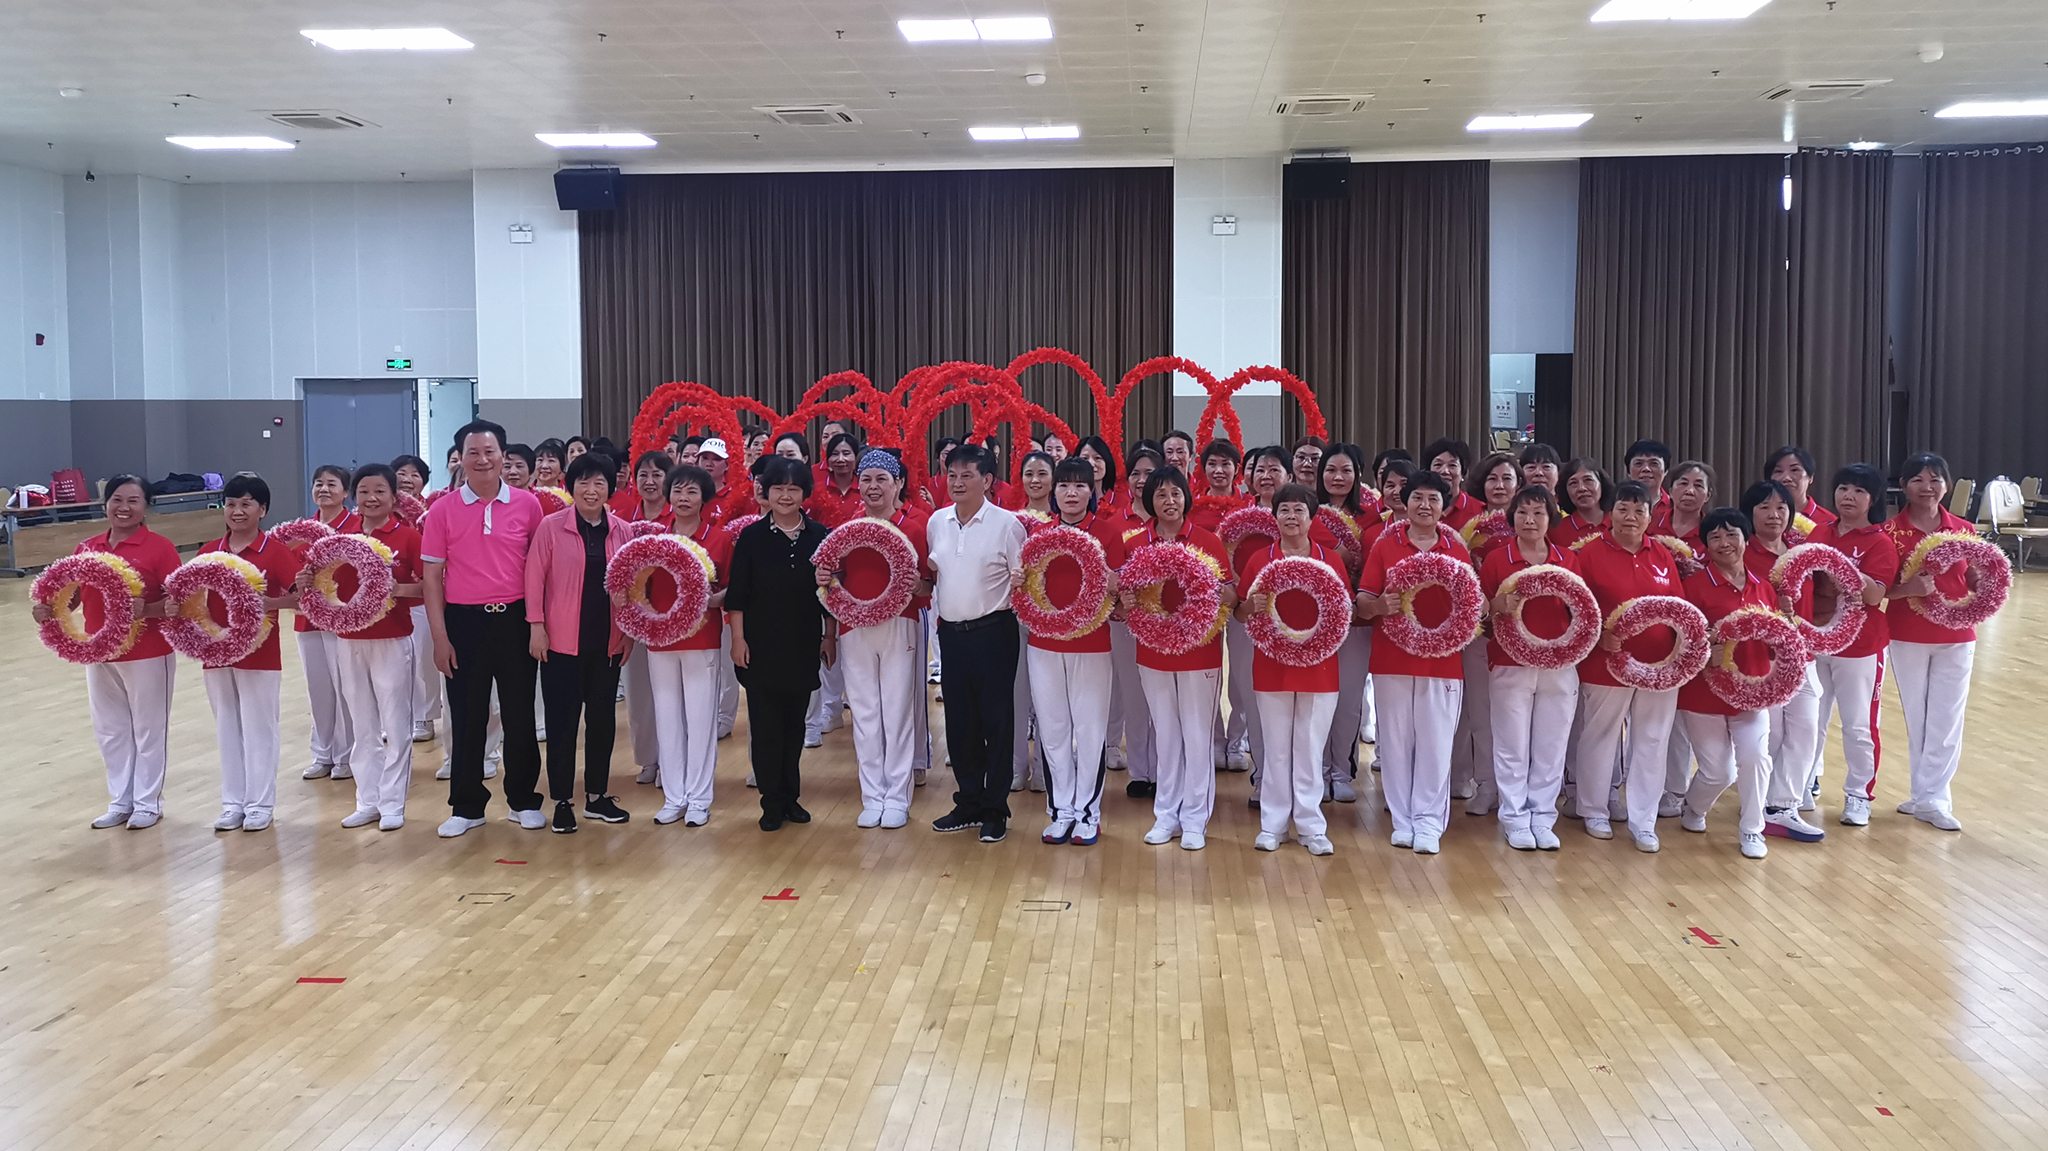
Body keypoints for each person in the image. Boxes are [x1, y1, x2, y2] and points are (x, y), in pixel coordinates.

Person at [30, 474, 178, 828]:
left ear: (146, 506)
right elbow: (73, 596)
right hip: (98, 651)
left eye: (133, 501)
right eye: (116, 500)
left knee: (148, 729)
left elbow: (182, 601)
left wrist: (148, 610)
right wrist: (49, 609)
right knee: (110, 729)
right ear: (105, 504)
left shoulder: (160, 548)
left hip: (148, 651)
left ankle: (147, 803)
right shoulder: (87, 548)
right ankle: (120, 800)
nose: (123, 507)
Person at [423, 420, 548, 838]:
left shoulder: (528, 505)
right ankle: (466, 805)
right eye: (472, 452)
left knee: (519, 715)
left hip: (515, 620)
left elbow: (539, 570)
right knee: (466, 717)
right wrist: (440, 637)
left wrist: (537, 624)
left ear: (503, 456)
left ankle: (523, 800)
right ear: (460, 458)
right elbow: (432, 578)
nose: (482, 459)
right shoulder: (442, 510)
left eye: (489, 451)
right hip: (464, 622)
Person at [1119, 465, 1235, 850]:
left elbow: (1232, 595)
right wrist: (1127, 600)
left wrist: (1213, 590)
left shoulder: (1207, 541)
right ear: (1148, 500)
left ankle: (1195, 818)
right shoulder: (1136, 544)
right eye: (1161, 494)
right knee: (1166, 734)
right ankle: (1166, 814)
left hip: (1200, 653)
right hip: (1152, 652)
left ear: (1186, 497)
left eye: (1176, 493)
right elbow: (1122, 605)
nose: (1170, 501)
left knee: (1197, 735)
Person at [1354, 470, 1471, 853]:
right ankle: (1402, 819)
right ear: (1405, 504)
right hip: (1392, 660)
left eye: (1433, 499)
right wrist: (1378, 606)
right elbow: (1363, 601)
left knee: (1436, 745)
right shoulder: (1386, 547)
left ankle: (1429, 822)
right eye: (1417, 497)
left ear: (1444, 507)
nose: (1424, 505)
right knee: (1396, 743)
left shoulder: (1456, 550)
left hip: (1444, 663)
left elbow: (1473, 602)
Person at [818, 450, 931, 828]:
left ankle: (897, 797)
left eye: (882, 478)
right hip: (854, 628)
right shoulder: (847, 529)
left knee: (897, 711)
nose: (873, 486)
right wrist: (824, 580)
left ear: (898, 483)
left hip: (901, 624)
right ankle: (872, 796)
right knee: (864, 713)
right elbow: (833, 580)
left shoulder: (915, 527)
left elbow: (929, 584)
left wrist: (918, 585)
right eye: (866, 479)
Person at [524, 451, 636, 831]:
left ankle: (597, 797)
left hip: (607, 642)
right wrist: (536, 626)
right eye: (583, 482)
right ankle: (561, 800)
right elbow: (534, 579)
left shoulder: (622, 530)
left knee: (602, 721)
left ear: (610, 487)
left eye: (599, 482)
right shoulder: (551, 526)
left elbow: (632, 585)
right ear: (570, 486)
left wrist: (627, 634)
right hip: (560, 643)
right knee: (562, 723)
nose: (591, 489)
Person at [1572, 480, 1684, 847]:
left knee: (1652, 739)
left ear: (1651, 517)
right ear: (1610, 514)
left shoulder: (1661, 554)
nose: (1631, 517)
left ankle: (1643, 820)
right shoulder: (1590, 554)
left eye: (1639, 510)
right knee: (1600, 735)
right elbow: (1578, 608)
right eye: (1623, 509)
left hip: (1659, 668)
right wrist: (1599, 636)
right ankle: (1594, 810)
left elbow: (1678, 609)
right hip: (1604, 665)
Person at [926, 444, 1028, 843]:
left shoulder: (1007, 524)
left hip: (994, 632)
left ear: (987, 481)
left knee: (996, 721)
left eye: (967, 475)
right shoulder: (937, 521)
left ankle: (995, 809)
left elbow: (1023, 580)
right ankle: (967, 801)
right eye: (952, 474)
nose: (957, 482)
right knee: (959, 721)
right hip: (951, 636)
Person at [727, 456, 834, 831]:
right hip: (760, 646)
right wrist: (737, 639)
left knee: (794, 726)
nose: (786, 496)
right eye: (778, 488)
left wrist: (830, 636)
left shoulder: (819, 535)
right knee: (766, 727)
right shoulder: (752, 537)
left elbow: (829, 594)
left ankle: (791, 798)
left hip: (803, 642)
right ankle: (770, 802)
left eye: (793, 489)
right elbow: (737, 595)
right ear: (765, 492)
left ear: (805, 493)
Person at [194, 474, 302, 832]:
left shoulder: (275, 551)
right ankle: (232, 803)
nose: (237, 511)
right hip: (215, 653)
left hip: (261, 654)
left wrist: (269, 603)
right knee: (226, 727)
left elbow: (302, 599)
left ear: (263, 510)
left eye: (246, 504)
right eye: (230, 504)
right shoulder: (209, 552)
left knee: (260, 728)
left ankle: (260, 803)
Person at [1237, 483, 1342, 855]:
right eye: (1284, 510)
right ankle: (1273, 824)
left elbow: (1343, 613)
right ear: (1275, 516)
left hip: (1320, 668)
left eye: (1299, 510)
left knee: (1310, 749)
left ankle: (1312, 827)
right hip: (1272, 667)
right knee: (1277, 748)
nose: (1292, 517)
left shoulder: (1330, 560)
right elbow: (1240, 613)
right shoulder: (1259, 560)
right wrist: (1251, 606)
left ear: (1312, 518)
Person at [1027, 458, 1126, 845]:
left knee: (1089, 730)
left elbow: (1120, 598)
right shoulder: (1040, 534)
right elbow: (1028, 588)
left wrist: (1117, 584)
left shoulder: (1108, 533)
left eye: (1080, 486)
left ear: (1091, 491)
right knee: (1052, 730)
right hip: (1044, 644)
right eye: (1064, 485)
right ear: (1054, 492)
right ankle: (1061, 811)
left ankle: (1088, 813)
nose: (1071, 493)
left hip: (1092, 644)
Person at [1673, 508, 1780, 860]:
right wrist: (1706, 654)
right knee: (1719, 772)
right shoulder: (1692, 588)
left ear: (1746, 539)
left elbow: (1774, 640)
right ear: (1705, 545)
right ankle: (1694, 807)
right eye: (1715, 537)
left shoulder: (1764, 588)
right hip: (1702, 695)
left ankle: (1752, 829)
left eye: (1732, 534)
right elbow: (1681, 641)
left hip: (1752, 692)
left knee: (1755, 758)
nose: (1724, 543)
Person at [1481, 485, 1578, 851]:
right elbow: (1480, 614)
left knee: (1551, 745)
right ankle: (1514, 817)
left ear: (1551, 517)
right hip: (1510, 663)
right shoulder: (1497, 559)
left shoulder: (1568, 559)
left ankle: (1542, 816)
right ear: (1513, 517)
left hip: (1559, 665)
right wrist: (1497, 604)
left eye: (1538, 512)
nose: (1530, 520)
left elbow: (1581, 612)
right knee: (1512, 745)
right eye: (1522, 512)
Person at [1884, 452, 1976, 832]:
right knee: (1919, 718)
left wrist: (1986, 584)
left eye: (1935, 479)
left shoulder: (1964, 530)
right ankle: (1924, 794)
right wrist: (1908, 589)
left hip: (1957, 636)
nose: (1927, 487)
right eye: (1918, 479)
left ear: (1947, 485)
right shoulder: (1889, 532)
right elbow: (1877, 589)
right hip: (1907, 634)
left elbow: (1972, 578)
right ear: (1903, 486)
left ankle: (1934, 798)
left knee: (1947, 718)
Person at [332, 465, 425, 831]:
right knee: (361, 723)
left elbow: (431, 585)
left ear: (393, 497)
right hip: (348, 641)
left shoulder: (408, 537)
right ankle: (367, 800)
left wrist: (396, 590)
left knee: (396, 723)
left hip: (392, 639)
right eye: (364, 491)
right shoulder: (341, 538)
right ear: (354, 496)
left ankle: (392, 803)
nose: (371, 498)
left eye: (380, 491)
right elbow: (325, 584)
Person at [639, 463, 731, 826]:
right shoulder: (654, 540)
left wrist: (713, 600)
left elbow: (731, 589)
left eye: (692, 491)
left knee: (701, 720)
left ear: (704, 498)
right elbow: (639, 587)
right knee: (667, 719)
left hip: (702, 638)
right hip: (660, 640)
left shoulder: (719, 539)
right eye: (677, 490)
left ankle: (699, 799)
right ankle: (674, 797)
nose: (683, 497)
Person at [1806, 464, 1897, 827]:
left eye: (1859, 491)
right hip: (1817, 640)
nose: (1848, 496)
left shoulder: (1879, 542)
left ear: (1872, 499)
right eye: (1843, 488)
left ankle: (1859, 794)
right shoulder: (1820, 532)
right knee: (1810, 719)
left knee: (1858, 724)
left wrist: (1841, 571)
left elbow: (1874, 595)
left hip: (1861, 646)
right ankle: (1802, 783)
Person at [1739, 479, 1829, 845]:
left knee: (1805, 731)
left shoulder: (1802, 554)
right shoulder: (1742, 553)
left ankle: (1782, 806)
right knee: (1771, 735)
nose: (1774, 515)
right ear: (1750, 513)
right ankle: (1758, 805)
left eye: (1781, 507)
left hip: (1802, 658)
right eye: (1764, 507)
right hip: (1761, 661)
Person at [1451, 451, 1521, 816]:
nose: (1499, 485)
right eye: (1492, 478)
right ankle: (1486, 785)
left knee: (1515, 718)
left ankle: (1517, 792)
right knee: (1478, 713)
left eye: (1507, 478)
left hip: (1525, 638)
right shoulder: (1469, 529)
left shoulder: (1531, 524)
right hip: (1478, 632)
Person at [1228, 446, 1292, 788]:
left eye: (1274, 469)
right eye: (1260, 470)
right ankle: (1263, 776)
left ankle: (1293, 781)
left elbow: (1336, 554)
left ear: (1289, 476)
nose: (1266, 476)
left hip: (1293, 622)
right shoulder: (1237, 517)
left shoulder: (1300, 514)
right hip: (1247, 616)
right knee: (1251, 694)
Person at [1314, 444, 1374, 800]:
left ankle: (1342, 771)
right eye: (1331, 470)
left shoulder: (1372, 517)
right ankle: (1319, 771)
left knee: (1350, 699)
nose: (1338, 477)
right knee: (1318, 698)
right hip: (1315, 622)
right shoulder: (1308, 511)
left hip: (1357, 622)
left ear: (1357, 476)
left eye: (1346, 470)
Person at [296, 464, 360, 782]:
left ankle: (346, 755)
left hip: (343, 617)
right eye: (318, 483)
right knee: (318, 688)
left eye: (331, 484)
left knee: (345, 686)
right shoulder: (301, 531)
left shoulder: (357, 526)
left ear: (345, 492)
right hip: (308, 619)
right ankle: (322, 753)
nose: (323, 489)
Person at [1107, 445, 1162, 795]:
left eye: (1149, 473)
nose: (1142, 480)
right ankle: (1141, 772)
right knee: (1134, 695)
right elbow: (1107, 575)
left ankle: (1164, 770)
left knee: (1161, 698)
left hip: (1165, 625)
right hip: (1124, 624)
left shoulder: (1168, 520)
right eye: (1136, 474)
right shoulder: (1115, 523)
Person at [393, 454, 444, 741]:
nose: (407, 479)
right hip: (388, 602)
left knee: (424, 660)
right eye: (401, 473)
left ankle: (425, 717)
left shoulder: (431, 512)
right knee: (395, 664)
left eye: (415, 475)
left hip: (422, 598)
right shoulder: (380, 512)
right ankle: (397, 718)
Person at [1766, 445, 1836, 531]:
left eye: (1794, 470)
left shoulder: (1830, 522)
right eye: (1778, 471)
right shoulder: (1760, 517)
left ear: (1810, 478)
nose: (1786, 478)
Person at [1552, 459, 1612, 549]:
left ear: (1602, 484)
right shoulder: (1555, 531)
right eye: (1573, 483)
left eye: (1588, 480)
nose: (1581, 488)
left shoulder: (1619, 524)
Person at [1424, 438, 1482, 531]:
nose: (1444, 471)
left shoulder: (1480, 512)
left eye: (1452, 465)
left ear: (1463, 473)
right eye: (1438, 465)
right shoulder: (1418, 508)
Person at [1625, 439, 1673, 514]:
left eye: (1654, 463)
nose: (1646, 469)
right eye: (1638, 464)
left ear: (1666, 471)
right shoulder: (1614, 507)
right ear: (1628, 472)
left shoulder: (1675, 507)